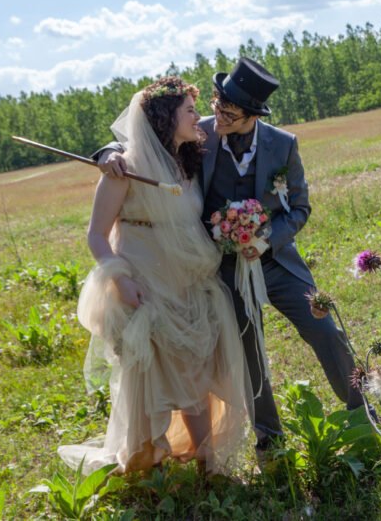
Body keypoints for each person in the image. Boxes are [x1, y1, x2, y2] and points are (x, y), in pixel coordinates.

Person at [98, 58, 363, 459]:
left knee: (324, 329)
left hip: (276, 262)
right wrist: (108, 151)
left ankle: (363, 415)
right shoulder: (199, 131)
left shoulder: (283, 145)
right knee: (248, 353)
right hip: (222, 270)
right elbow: (145, 141)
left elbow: (300, 208)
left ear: (252, 116)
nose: (216, 115)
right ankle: (270, 442)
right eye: (216, 104)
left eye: (228, 111)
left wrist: (267, 239)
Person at [59, 77, 253, 476]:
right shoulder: (123, 167)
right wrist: (119, 280)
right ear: (166, 118)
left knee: (196, 372)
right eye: (187, 110)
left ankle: (205, 459)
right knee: (155, 376)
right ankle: (148, 462)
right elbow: (96, 234)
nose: (196, 117)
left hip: (188, 282)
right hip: (145, 285)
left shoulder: (189, 160)